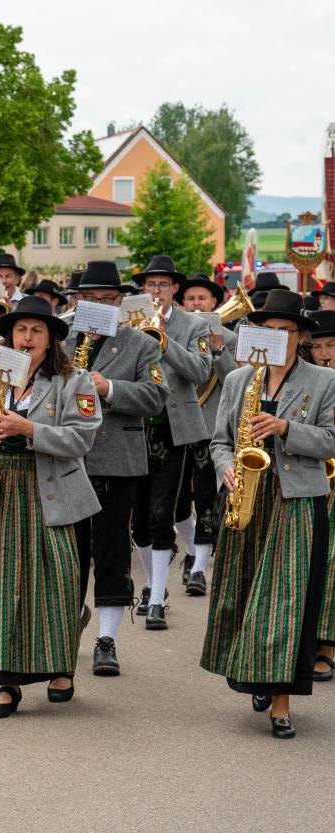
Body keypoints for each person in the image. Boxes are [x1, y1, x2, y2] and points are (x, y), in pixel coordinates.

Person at [0, 295, 101, 717]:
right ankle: (5, 684)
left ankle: (61, 667)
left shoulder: (76, 380)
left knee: (55, 583)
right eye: (21, 330)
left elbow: (82, 438)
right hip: (0, 490)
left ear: (52, 339)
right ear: (10, 335)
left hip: (52, 488)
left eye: (37, 330)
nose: (28, 337)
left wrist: (30, 428)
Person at [201, 289, 335, 739]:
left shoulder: (323, 381)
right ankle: (257, 672)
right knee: (245, 592)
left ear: (301, 337)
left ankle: (281, 701)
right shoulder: (240, 380)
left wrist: (285, 427)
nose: (277, 337)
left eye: (285, 331)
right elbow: (219, 441)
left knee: (288, 600)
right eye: (268, 330)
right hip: (248, 496)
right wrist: (225, 471)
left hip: (297, 500)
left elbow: (332, 440)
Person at [64, 261, 168, 675]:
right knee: (68, 554)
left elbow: (156, 395)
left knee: (110, 551)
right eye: (92, 299)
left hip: (115, 461)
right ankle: (63, 626)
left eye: (109, 300)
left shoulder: (141, 344)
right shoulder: (60, 339)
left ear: (121, 302)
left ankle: (107, 640)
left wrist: (109, 387)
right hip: (65, 459)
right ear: (79, 300)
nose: (101, 305)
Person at [130, 255, 212, 629]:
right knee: (139, 522)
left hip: (174, 429)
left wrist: (164, 341)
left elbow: (200, 370)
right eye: (150, 285)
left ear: (175, 289)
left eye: (163, 285)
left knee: (162, 513)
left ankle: (159, 597)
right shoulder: (129, 323)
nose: (156, 291)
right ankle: (154, 585)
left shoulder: (195, 325)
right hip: (133, 429)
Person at [176, 275, 237, 596]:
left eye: (203, 298)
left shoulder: (230, 338)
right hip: (178, 427)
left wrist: (217, 347)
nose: (197, 304)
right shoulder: (174, 334)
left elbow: (236, 383)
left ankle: (199, 567)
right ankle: (191, 549)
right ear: (182, 304)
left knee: (207, 501)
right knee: (175, 505)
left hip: (211, 428)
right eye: (191, 299)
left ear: (215, 303)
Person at [303, 309, 335, 681]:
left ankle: (326, 646)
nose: (324, 353)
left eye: (331, 346)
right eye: (319, 347)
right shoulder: (311, 381)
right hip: (314, 476)